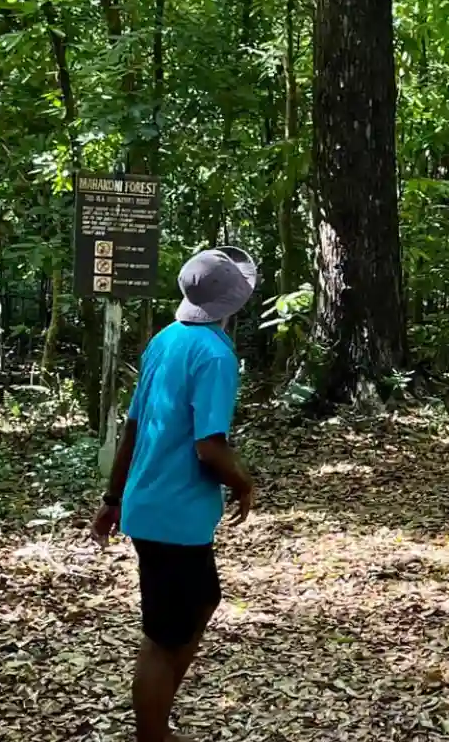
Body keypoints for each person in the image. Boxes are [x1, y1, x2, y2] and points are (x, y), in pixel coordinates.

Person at [92, 246, 259, 742]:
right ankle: (151, 736)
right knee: (164, 638)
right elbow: (208, 446)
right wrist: (244, 483)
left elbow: (134, 426)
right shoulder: (214, 355)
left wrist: (113, 497)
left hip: (155, 507)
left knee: (203, 600)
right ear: (233, 305)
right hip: (172, 514)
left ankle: (157, 722)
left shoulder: (165, 340)